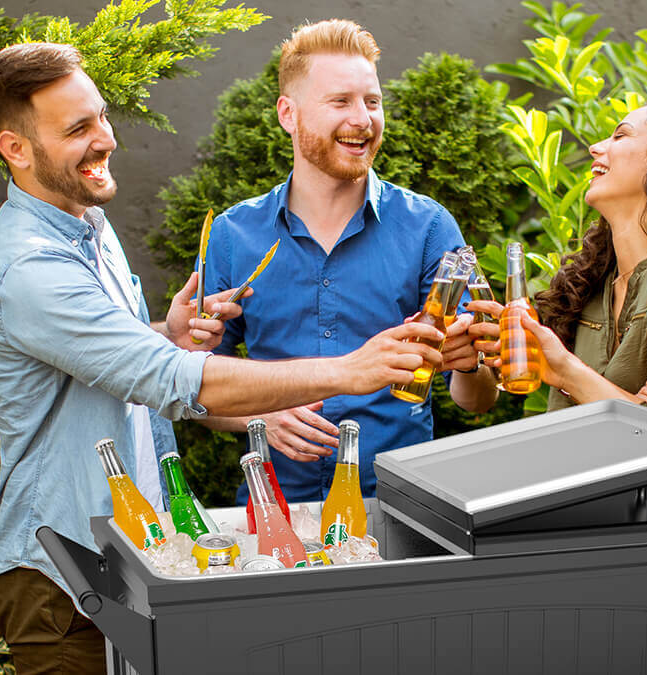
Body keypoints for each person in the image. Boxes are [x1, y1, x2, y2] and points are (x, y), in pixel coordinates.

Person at [0, 42, 444, 673]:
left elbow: (119, 363)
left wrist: (167, 334)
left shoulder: (86, 225)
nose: (104, 140)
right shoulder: (30, 265)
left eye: (102, 117)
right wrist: (354, 368)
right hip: (62, 576)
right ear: (16, 149)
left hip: (127, 551)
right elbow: (166, 381)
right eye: (78, 129)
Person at [198, 20, 498, 503]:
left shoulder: (428, 228)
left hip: (399, 507)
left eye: (372, 102)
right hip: (274, 509)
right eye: (340, 102)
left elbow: (479, 400)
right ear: (288, 114)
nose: (363, 119)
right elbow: (196, 389)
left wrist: (470, 366)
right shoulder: (234, 235)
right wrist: (257, 416)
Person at [468, 84, 647, 415]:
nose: (595, 148)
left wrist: (566, 371)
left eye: (620, 136)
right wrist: (632, 402)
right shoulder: (588, 283)